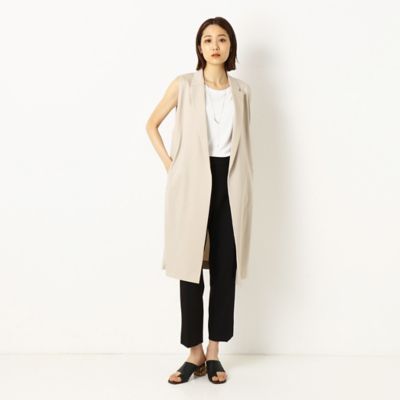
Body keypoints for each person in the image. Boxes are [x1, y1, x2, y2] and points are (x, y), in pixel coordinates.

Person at [145, 17, 253, 384]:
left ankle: (214, 352)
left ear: (230, 46)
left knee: (225, 267)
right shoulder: (184, 85)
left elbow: (245, 146)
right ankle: (193, 353)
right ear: (199, 47)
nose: (215, 46)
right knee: (189, 267)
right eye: (208, 40)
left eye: (222, 39)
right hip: (192, 181)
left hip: (231, 183)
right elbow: (151, 124)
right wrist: (171, 166)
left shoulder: (243, 92)